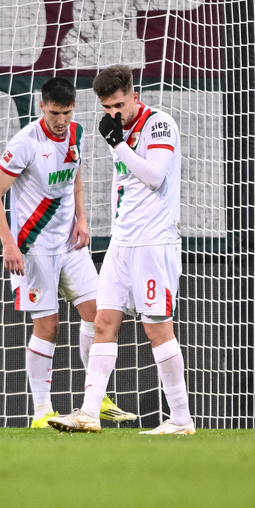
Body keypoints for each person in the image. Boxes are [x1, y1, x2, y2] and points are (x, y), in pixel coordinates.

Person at [0, 77, 137, 428]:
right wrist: (8, 243)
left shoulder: (77, 133)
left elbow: (75, 174)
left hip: (70, 244)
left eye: (67, 113)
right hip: (35, 247)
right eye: (55, 113)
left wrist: (82, 218)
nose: (61, 120)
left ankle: (95, 400)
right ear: (42, 107)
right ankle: (41, 412)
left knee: (99, 315)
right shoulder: (24, 144)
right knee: (48, 326)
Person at [49, 65, 193, 435]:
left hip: (153, 242)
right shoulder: (122, 130)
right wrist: (120, 140)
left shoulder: (158, 124)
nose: (113, 113)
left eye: (119, 104)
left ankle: (180, 419)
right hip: (122, 242)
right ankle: (88, 414)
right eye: (106, 108)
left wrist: (119, 145)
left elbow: (155, 176)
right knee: (103, 322)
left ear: (133, 95)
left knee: (156, 328)